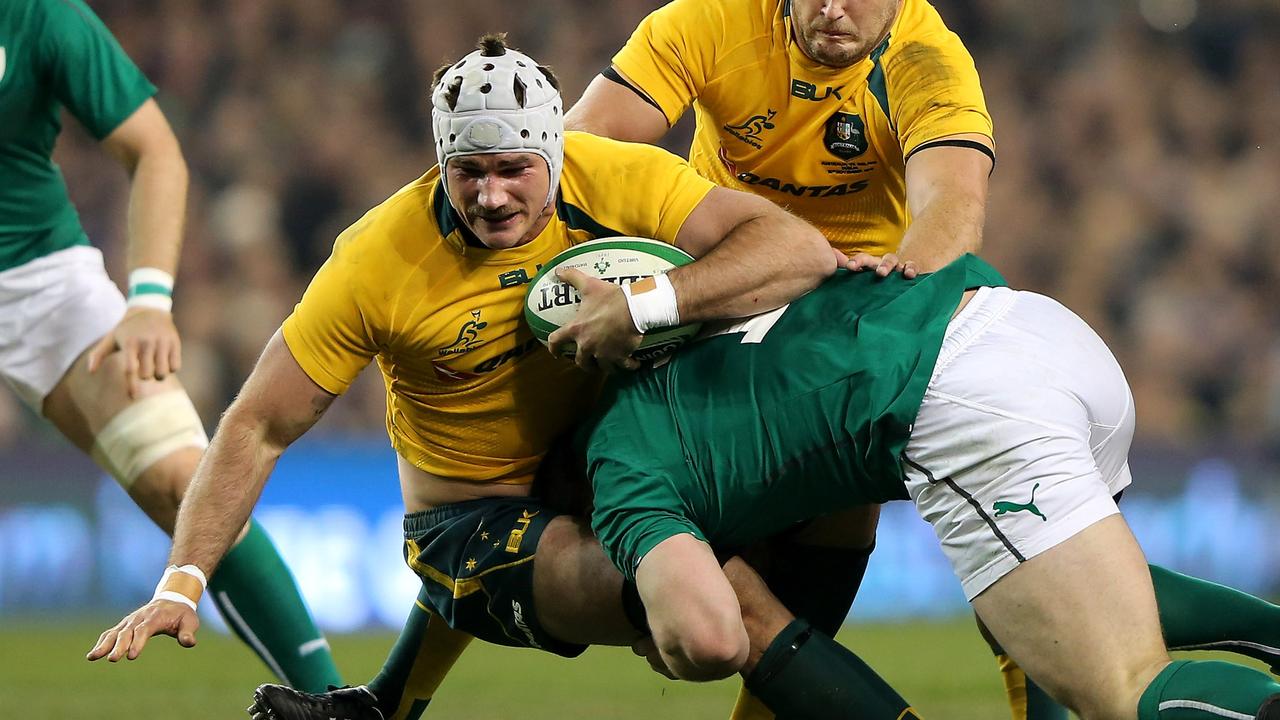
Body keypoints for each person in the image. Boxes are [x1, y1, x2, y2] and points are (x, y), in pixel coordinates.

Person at [85, 34, 900, 720]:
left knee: (834, 500)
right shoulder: (378, 260)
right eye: (467, 170)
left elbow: (794, 250)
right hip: (469, 531)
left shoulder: (610, 177)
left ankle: (377, 708)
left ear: (553, 149)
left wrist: (650, 302)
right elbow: (256, 424)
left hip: (602, 468)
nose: (490, 194)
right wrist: (182, 583)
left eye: (513, 167)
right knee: (723, 612)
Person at [583, 254, 1280, 720]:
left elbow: (718, 628)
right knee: (1043, 593)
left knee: (1123, 689)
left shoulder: (618, 458)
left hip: (967, 405)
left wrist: (659, 629)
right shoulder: (743, 281)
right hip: (1038, 328)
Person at [563, 0, 1002, 714]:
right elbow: (587, 143)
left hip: (841, 318)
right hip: (708, 297)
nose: (831, 8)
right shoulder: (710, 21)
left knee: (864, 519)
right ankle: (397, 692)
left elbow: (952, 208)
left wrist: (885, 305)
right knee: (481, 459)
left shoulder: (927, 58)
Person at [0, 0, 340, 691]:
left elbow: (153, 148)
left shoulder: (39, 16)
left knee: (184, 482)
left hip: (37, 279)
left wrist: (149, 300)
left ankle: (334, 701)